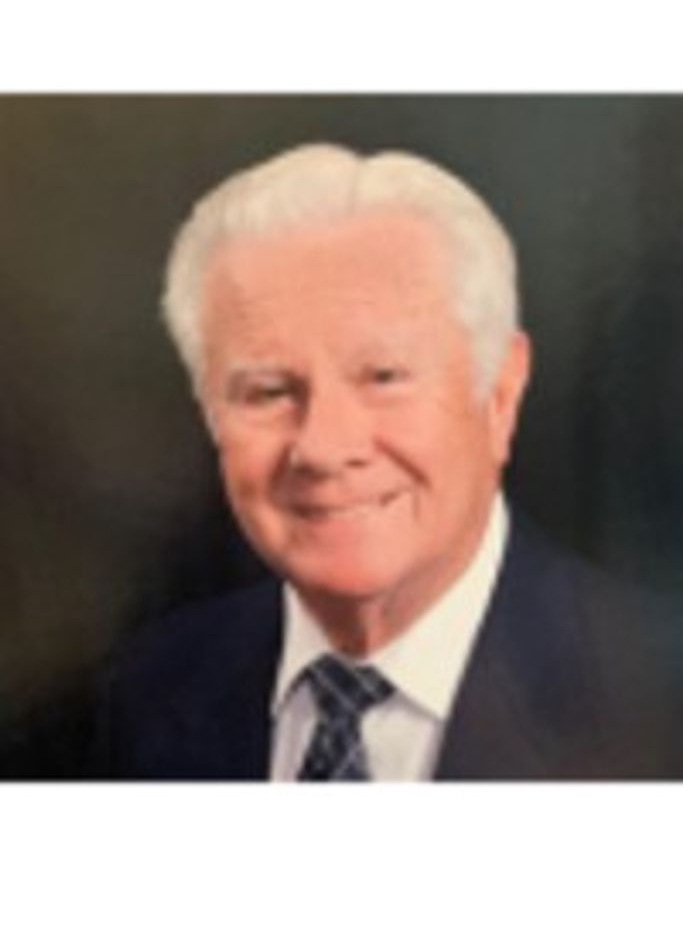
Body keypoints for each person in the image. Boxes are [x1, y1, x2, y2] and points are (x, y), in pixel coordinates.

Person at [93, 143, 682, 780]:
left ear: (501, 394)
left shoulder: (659, 695)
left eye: (384, 377)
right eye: (268, 391)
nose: (323, 448)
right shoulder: (148, 693)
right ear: (210, 412)